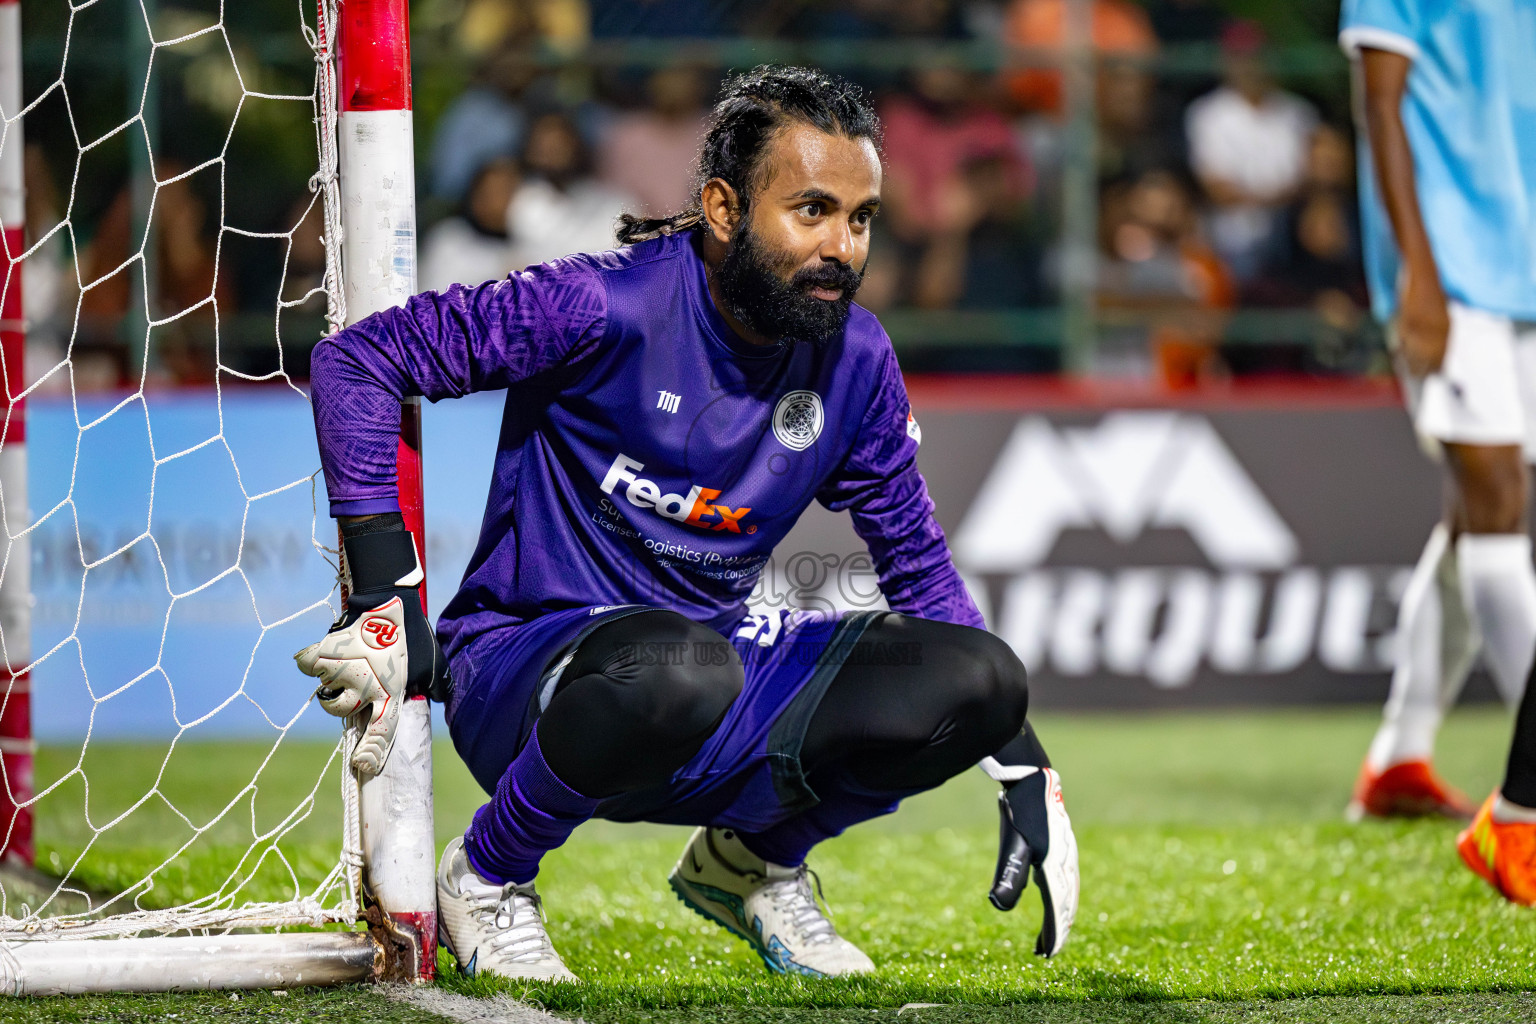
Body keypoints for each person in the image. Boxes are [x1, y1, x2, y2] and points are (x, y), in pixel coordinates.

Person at [295, 66, 1080, 981]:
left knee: (979, 676)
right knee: (679, 666)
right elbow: (360, 361)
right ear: (721, 207)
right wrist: (388, 592)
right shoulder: (600, 303)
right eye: (813, 210)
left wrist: (1017, 750)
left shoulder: (855, 355)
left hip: (711, 669)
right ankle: (489, 874)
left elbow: (917, 561)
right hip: (527, 668)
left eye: (861, 219)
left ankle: (749, 865)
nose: (842, 247)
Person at [1337, 1, 1536, 901]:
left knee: (1476, 515)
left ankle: (1399, 759)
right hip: (1452, 269)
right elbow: (1380, 105)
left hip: (1525, 259)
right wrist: (1417, 272)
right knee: (1495, 491)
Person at [1184, 19, 1316, 282]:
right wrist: (1277, 198)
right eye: (1240, 57)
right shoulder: (1207, 113)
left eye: (1255, 56)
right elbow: (1216, 188)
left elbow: (1311, 182)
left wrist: (1275, 200)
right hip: (1229, 246)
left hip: (1291, 244)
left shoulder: (1298, 113)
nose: (1249, 65)